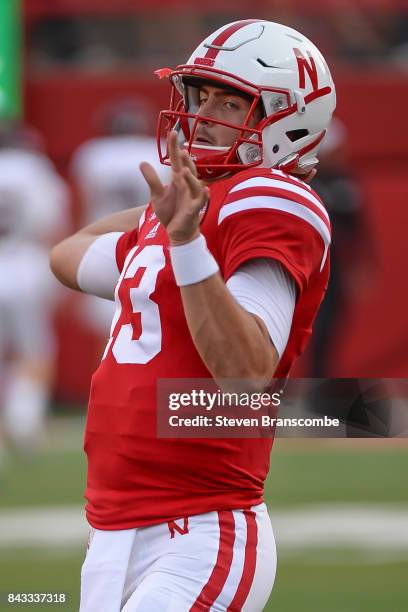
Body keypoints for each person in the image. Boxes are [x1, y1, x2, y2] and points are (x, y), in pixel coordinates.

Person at [51, 19, 335, 611]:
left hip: (198, 531)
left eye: (230, 101)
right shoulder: (185, 217)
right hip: (109, 532)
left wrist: (184, 240)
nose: (204, 115)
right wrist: (163, 220)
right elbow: (67, 255)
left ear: (288, 119)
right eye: (200, 96)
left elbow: (245, 374)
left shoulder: (270, 196)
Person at [0, 122, 70, 454]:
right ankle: (23, 421)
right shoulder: (34, 170)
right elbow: (50, 224)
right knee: (35, 353)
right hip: (24, 265)